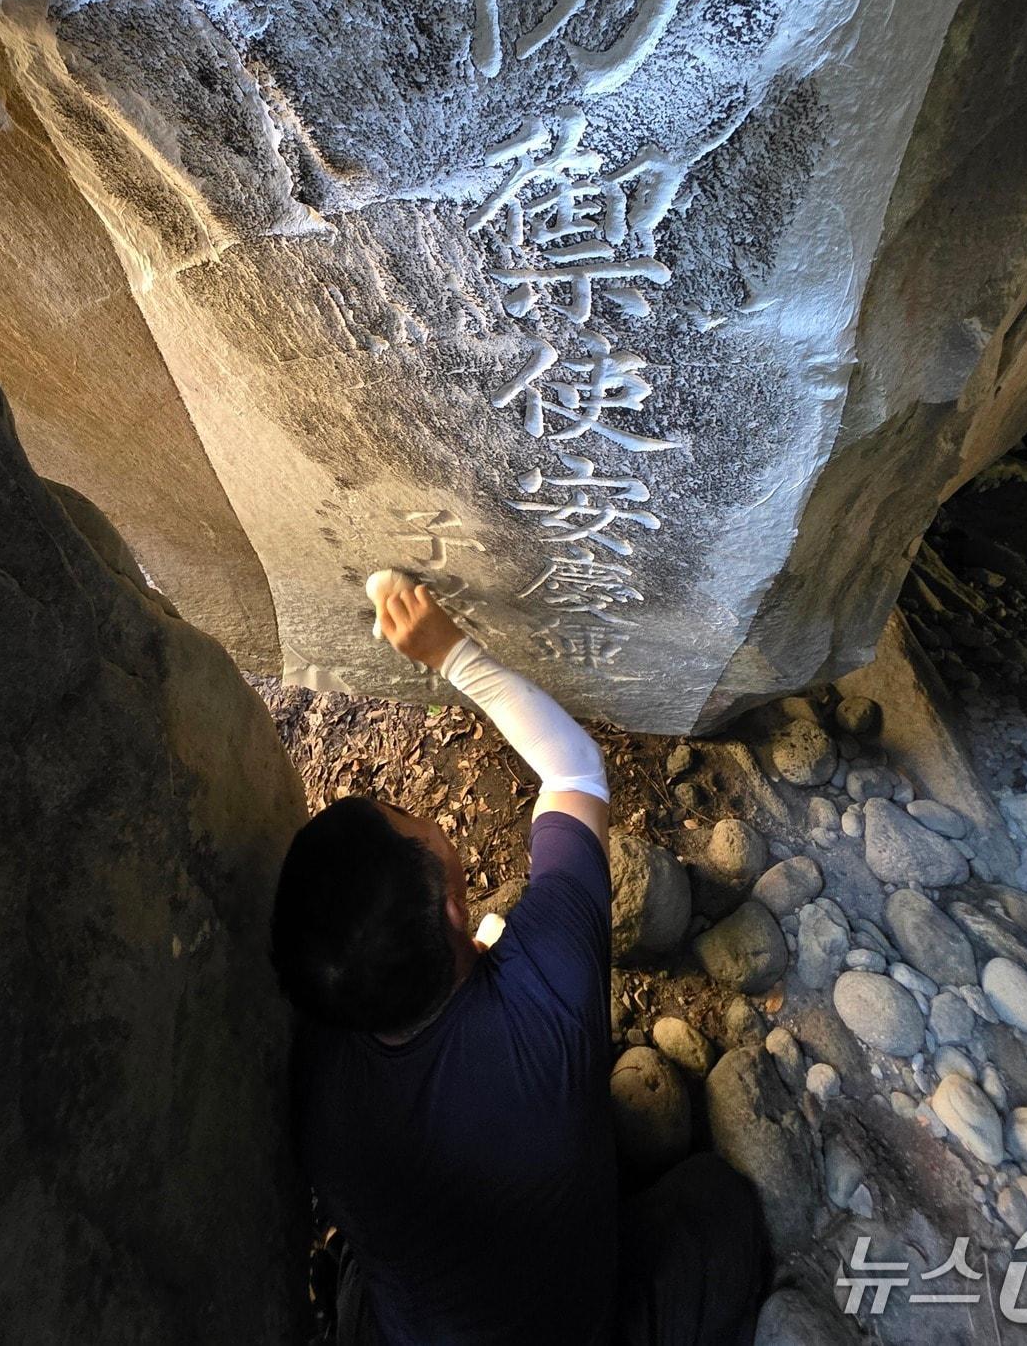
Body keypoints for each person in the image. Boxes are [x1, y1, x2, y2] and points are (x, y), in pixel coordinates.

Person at [271, 573, 768, 1346]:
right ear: (448, 907)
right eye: (413, 820)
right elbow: (572, 770)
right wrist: (452, 654)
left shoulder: (319, 1065)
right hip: (570, 1324)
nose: (425, 816)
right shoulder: (549, 991)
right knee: (720, 1203)